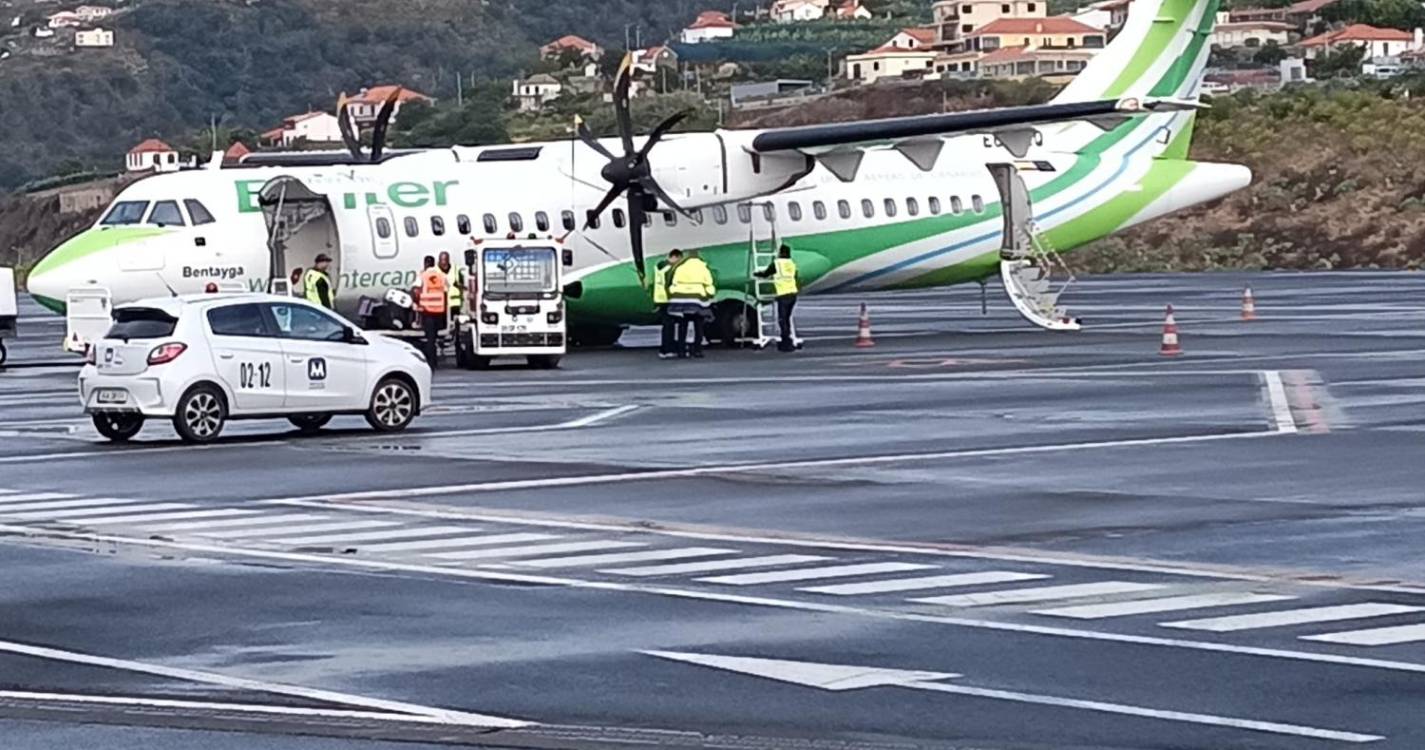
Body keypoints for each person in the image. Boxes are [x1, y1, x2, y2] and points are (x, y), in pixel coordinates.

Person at [667, 249, 715, 359]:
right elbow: (709, 284)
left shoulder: (680, 267)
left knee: (682, 325)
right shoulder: (703, 268)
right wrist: (710, 294)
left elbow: (674, 283)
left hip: (680, 300)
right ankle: (697, 350)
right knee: (698, 326)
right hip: (696, 300)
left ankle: (681, 351)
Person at [755, 243, 800, 352]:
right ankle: (788, 340)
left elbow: (766, 274)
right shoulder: (792, 264)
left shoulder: (777, 263)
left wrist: (756, 274)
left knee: (782, 320)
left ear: (780, 253)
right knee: (787, 319)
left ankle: (786, 342)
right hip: (793, 294)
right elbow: (796, 277)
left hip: (783, 294)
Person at [417, 255, 448, 367]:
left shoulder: (423, 275)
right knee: (434, 338)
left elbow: (416, 289)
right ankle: (434, 361)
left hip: (428, 311)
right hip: (439, 311)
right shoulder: (441, 275)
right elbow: (446, 291)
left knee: (430, 339)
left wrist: (417, 304)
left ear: (425, 264)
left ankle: (431, 362)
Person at [651, 250, 681, 359]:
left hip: (659, 299)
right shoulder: (670, 269)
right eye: (678, 259)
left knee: (666, 326)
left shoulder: (658, 267)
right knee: (670, 326)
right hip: (668, 299)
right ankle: (669, 349)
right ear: (674, 257)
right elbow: (670, 285)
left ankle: (664, 350)